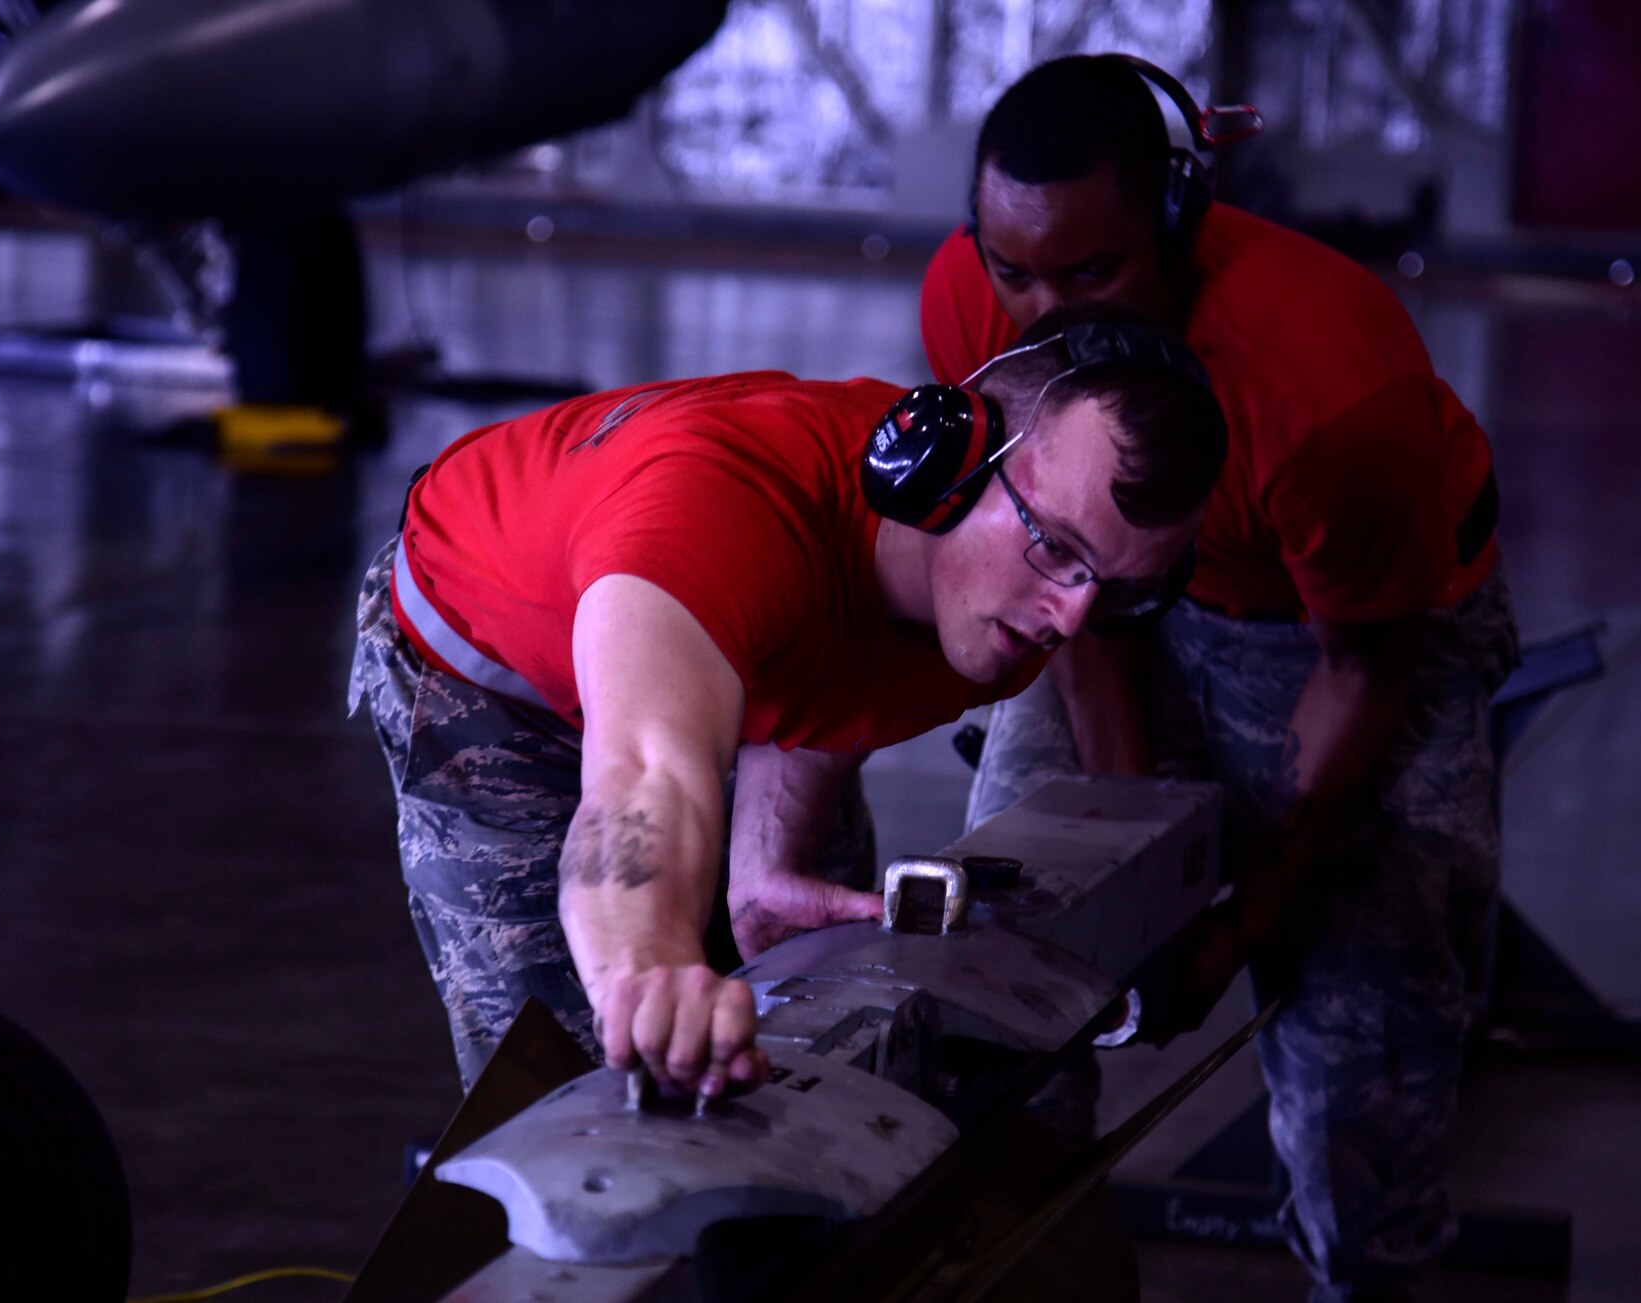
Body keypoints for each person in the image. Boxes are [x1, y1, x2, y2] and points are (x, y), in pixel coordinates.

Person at [923, 55, 1521, 1301]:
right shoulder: (974, 309)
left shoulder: (1324, 383)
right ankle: (1042, 1269)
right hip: (1125, 596)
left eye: (1092, 272)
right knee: (1005, 961)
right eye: (1014, 270)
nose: (1042, 316)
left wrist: (1238, 919)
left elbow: (1362, 666)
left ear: (1178, 222)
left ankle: (1365, 1271)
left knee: (1361, 1066)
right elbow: (1073, 592)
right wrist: (1140, 868)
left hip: (1344, 637)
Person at [348, 302, 1227, 1103]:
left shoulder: (1004, 593)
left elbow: (846, 669)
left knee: (825, 1037)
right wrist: (647, 968)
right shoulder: (719, 513)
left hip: (717, 637)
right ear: (942, 470)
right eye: (1057, 547)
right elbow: (644, 773)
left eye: (1113, 586)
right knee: (584, 1085)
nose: (1073, 616)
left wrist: (764, 858)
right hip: (491, 670)